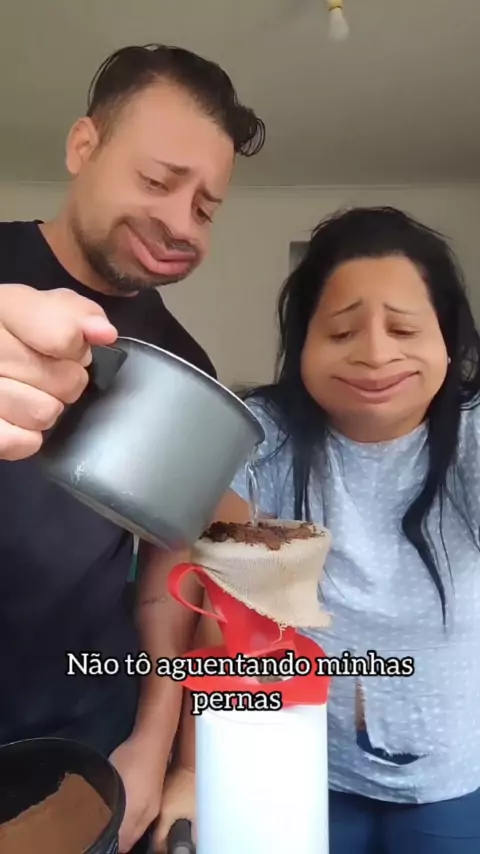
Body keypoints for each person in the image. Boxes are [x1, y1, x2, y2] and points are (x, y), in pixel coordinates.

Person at [0, 43, 264, 853]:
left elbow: (166, 583)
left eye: (206, 208)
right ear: (84, 146)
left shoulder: (188, 369)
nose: (180, 222)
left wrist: (152, 744)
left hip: (84, 740)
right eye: (157, 180)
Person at [158, 206, 480, 853]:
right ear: (303, 344)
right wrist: (193, 771)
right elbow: (222, 621)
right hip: (298, 767)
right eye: (341, 331)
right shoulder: (261, 439)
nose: (376, 354)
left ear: (447, 341)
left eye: (403, 328)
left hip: (450, 776)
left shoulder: (471, 434)